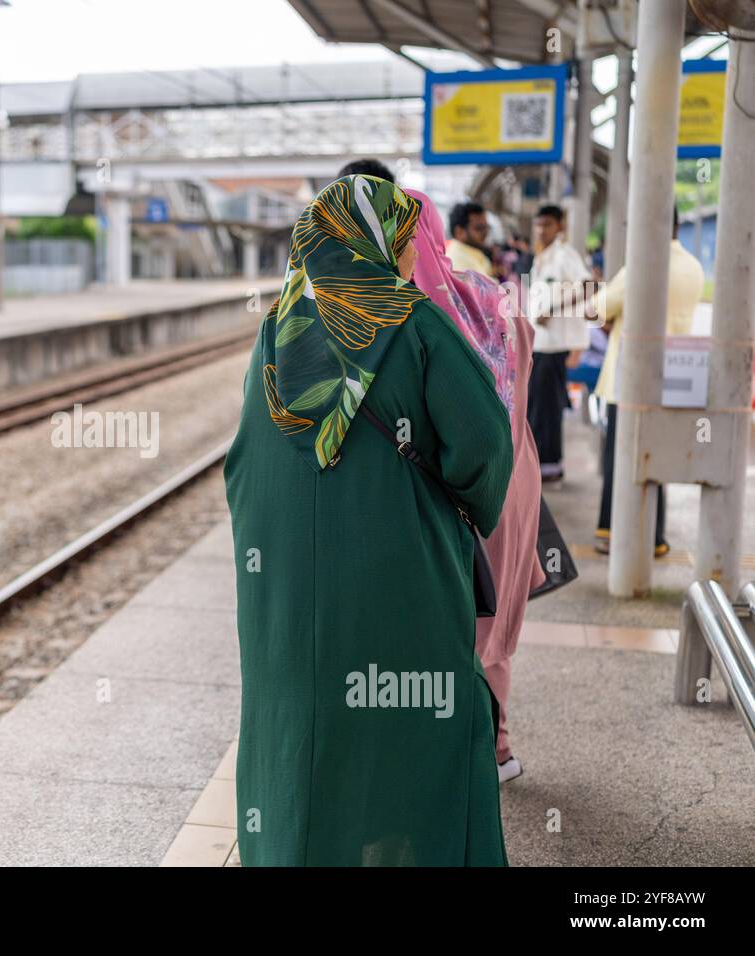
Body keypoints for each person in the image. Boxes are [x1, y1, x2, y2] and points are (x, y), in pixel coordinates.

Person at [224, 174, 514, 866]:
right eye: (407, 239)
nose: (414, 255)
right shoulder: (414, 323)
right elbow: (482, 447)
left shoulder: (276, 330)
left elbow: (243, 460)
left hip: (282, 585)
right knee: (430, 714)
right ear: (377, 240)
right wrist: (467, 509)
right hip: (396, 565)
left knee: (300, 722)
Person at [407, 189, 544, 786]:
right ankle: (498, 748)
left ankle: (464, 751)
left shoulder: (415, 317)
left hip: (461, 493)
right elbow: (527, 366)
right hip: (516, 473)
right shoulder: (493, 296)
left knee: (453, 624)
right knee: (494, 623)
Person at [591, 205, 704, 556]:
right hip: (673, 379)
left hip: (628, 379)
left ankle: (613, 531)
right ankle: (654, 536)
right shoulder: (694, 267)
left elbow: (597, 308)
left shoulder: (642, 263)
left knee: (620, 458)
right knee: (655, 459)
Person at [527, 204, 592, 482]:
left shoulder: (566, 255)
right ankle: (540, 463)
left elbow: (589, 286)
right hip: (540, 343)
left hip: (554, 345)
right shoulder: (542, 256)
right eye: (539, 225)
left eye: (548, 225)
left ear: (560, 226)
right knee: (537, 407)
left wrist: (553, 310)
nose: (542, 230)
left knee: (548, 408)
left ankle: (550, 467)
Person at [446, 202, 494, 277]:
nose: (485, 233)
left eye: (486, 227)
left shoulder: (474, 253)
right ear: (459, 232)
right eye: (479, 228)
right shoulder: (458, 263)